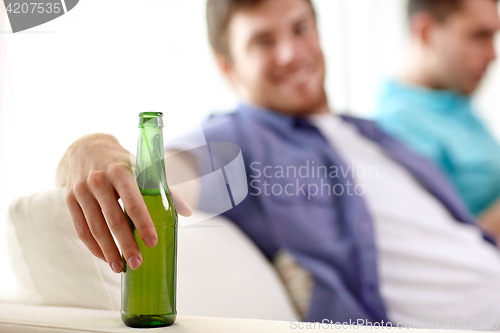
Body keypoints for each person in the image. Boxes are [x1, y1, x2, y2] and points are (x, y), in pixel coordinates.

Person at [56, 0, 500, 326]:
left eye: (300, 29)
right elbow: (165, 173)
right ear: (229, 68)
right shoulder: (238, 139)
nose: (291, 53)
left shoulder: (377, 134)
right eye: (264, 41)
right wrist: (92, 150)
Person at [375, 0, 500, 238]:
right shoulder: (400, 127)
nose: (493, 55)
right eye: (479, 36)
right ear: (425, 32)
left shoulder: (452, 99)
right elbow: (441, 253)